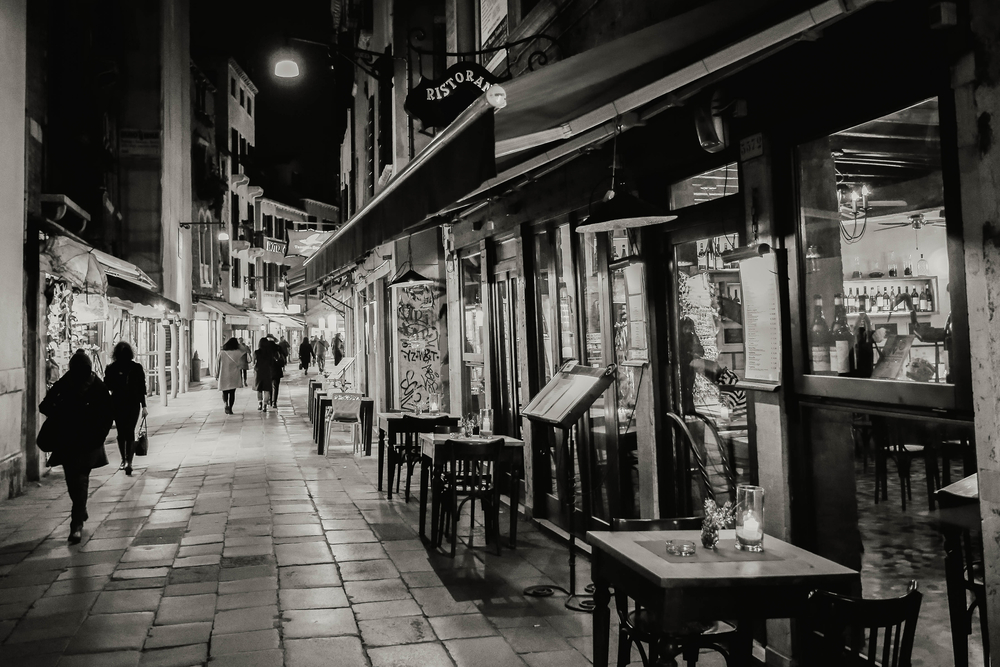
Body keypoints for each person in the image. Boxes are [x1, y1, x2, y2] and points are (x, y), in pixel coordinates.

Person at [40, 350, 113, 544]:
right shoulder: (68, 383)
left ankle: (76, 525)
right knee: (74, 482)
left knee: (79, 479)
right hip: (70, 440)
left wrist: (98, 436)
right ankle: (80, 509)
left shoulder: (96, 386)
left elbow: (106, 414)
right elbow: (45, 405)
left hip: (85, 441)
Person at [103, 342, 148, 476]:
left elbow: (107, 386)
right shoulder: (137, 368)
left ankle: (123, 460)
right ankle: (129, 461)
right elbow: (141, 388)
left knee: (121, 432)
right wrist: (144, 405)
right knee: (130, 432)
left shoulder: (111, 368)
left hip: (117, 403)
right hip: (133, 403)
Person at [217, 338, 246, 414]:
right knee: (232, 393)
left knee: (225, 392)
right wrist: (240, 345)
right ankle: (230, 408)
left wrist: (216, 374)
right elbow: (246, 353)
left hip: (223, 374)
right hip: (234, 375)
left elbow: (217, 365)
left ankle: (225, 404)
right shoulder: (238, 352)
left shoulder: (222, 353)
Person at [253, 337, 277, 411]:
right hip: (267, 371)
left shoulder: (256, 352)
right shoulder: (270, 353)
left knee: (259, 388)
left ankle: (260, 403)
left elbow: (254, 362)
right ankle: (265, 405)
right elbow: (272, 363)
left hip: (258, 371)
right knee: (266, 389)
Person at [270, 335, 286, 408]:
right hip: (277, 369)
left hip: (268, 370)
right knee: (276, 386)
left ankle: (270, 400)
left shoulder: (265, 349)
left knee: (269, 386)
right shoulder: (278, 348)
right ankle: (274, 402)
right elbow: (283, 357)